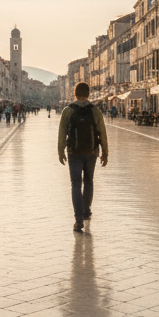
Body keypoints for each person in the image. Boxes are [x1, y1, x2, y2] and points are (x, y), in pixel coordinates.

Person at [58, 82, 108, 233]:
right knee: (88, 181)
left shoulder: (68, 110)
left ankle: (78, 218)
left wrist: (60, 151)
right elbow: (102, 132)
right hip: (92, 152)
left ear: (75, 93)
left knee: (75, 184)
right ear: (89, 93)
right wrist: (105, 152)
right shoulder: (95, 110)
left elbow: (62, 133)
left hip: (74, 152)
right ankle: (86, 211)